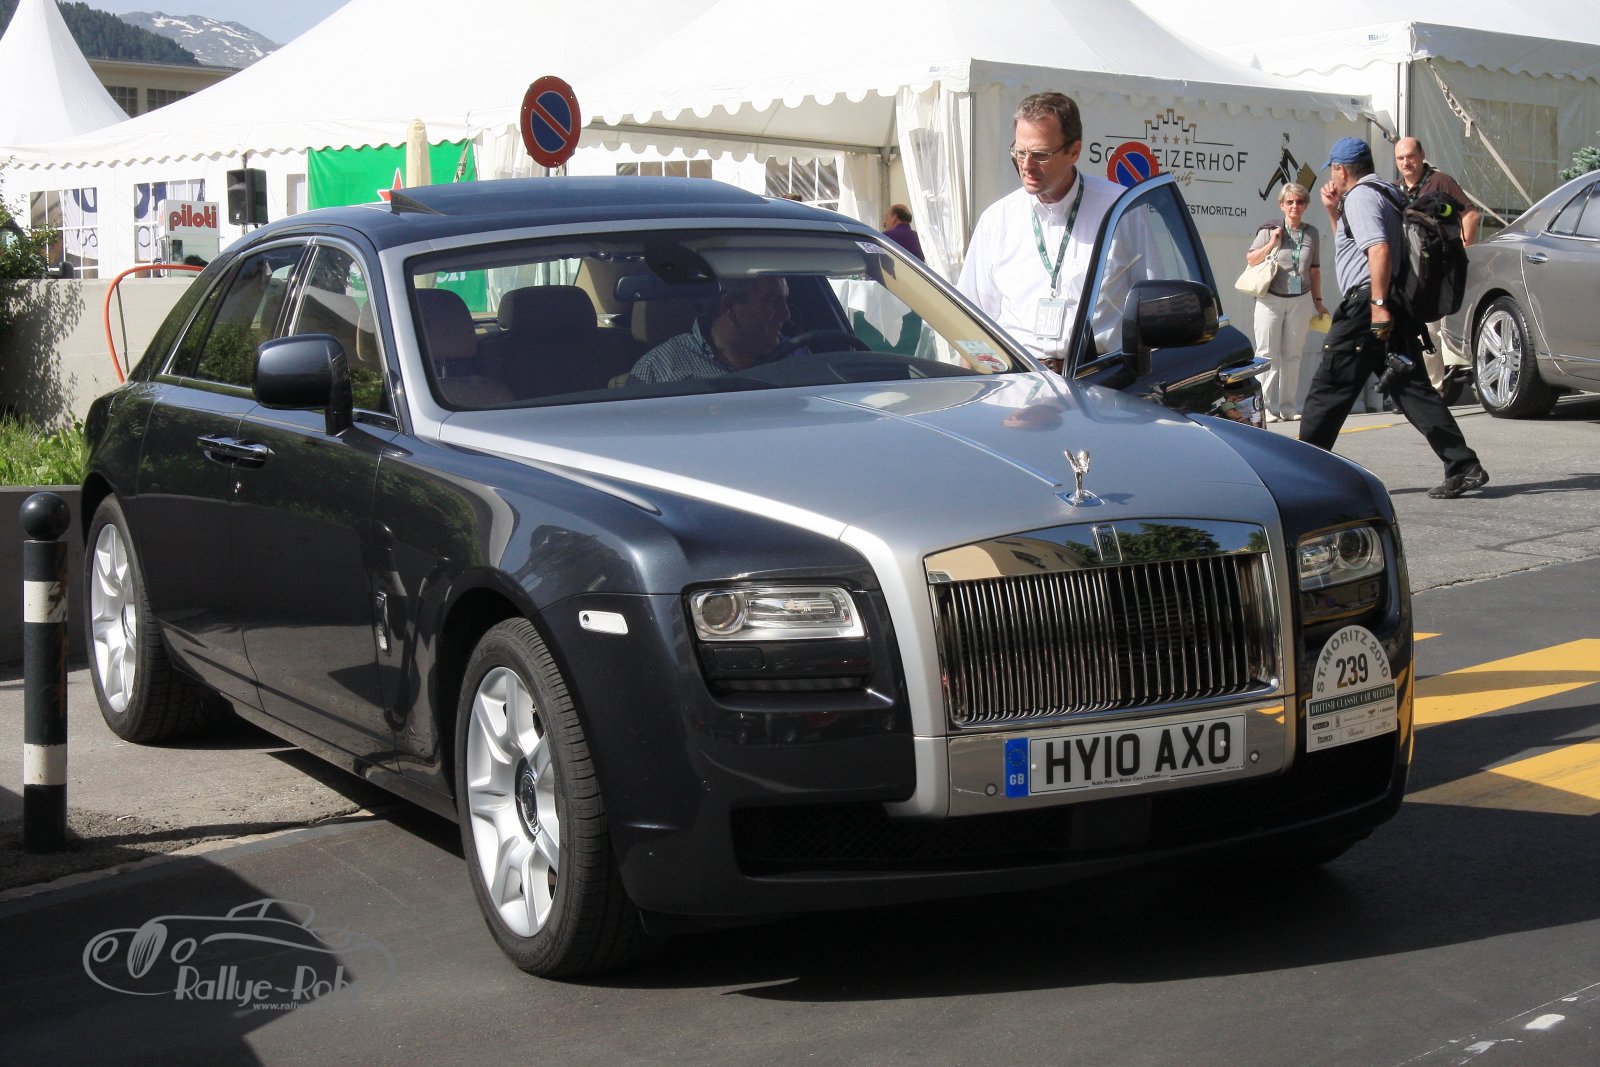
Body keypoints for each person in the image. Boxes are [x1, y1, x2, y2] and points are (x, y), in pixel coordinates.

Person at [1299, 137, 1490, 499]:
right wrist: (1333, 212)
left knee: (1329, 388)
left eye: (1334, 171)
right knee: (1412, 389)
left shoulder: (1362, 196)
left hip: (1368, 306)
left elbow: (1378, 249)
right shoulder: (1388, 192)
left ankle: (1300, 473)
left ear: (1341, 170)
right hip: (1394, 304)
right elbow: (1356, 246)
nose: (1333, 178)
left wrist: (1377, 305)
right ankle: (1463, 465)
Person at [957, 91, 1121, 373]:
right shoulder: (997, 220)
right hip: (1017, 381)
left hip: (1099, 378)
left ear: (1074, 152)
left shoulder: (1119, 211)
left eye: (1040, 155)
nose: (1026, 166)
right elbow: (972, 324)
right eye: (1020, 152)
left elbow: (1155, 309)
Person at [1394, 136, 1482, 395]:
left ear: (1422, 155)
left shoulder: (1440, 181)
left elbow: (1471, 215)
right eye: (1400, 158)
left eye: (1410, 156)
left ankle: (1435, 388)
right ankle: (1416, 388)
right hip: (1408, 271)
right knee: (1408, 331)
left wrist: (1461, 251)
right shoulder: (1396, 188)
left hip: (1436, 271)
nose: (1406, 162)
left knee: (1431, 329)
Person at [1245, 182, 1328, 421]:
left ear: (1306, 205)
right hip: (1270, 298)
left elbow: (1314, 270)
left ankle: (1288, 407)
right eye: (1289, 202)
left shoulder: (1311, 233)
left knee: (1293, 354)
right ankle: (1263, 407)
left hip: (1300, 299)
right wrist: (1272, 243)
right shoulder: (1269, 229)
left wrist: (1318, 301)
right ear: (1281, 205)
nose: (1294, 206)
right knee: (1266, 354)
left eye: (1299, 202)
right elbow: (1251, 259)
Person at [628, 276, 792, 384]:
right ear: (729, 307)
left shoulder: (795, 357)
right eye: (773, 302)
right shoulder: (658, 369)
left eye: (784, 301)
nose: (786, 315)